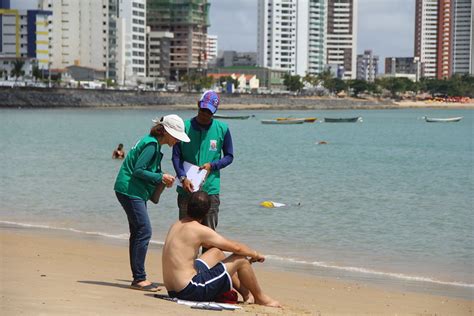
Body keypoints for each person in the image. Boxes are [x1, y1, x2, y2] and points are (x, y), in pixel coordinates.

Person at [162, 191, 281, 308]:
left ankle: (246, 294)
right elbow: (237, 248)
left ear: (187, 206)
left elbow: (215, 246)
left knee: (216, 252)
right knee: (241, 259)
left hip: (173, 290)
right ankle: (260, 298)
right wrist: (255, 254)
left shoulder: (176, 225)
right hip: (190, 290)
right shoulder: (199, 229)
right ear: (207, 212)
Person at [114, 114, 190, 292]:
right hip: (130, 190)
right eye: (176, 137)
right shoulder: (151, 144)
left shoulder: (152, 143)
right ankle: (139, 279)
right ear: (167, 132)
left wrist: (161, 176)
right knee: (144, 231)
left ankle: (138, 278)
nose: (177, 141)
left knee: (138, 232)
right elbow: (138, 170)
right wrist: (160, 177)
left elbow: (144, 169)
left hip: (130, 190)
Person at [172, 90, 233, 234]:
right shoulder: (184, 127)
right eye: (203, 110)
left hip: (210, 189)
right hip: (186, 188)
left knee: (208, 235)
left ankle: (205, 257)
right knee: (185, 234)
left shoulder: (222, 129)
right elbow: (176, 156)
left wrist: (213, 166)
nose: (205, 114)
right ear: (198, 105)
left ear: (215, 112)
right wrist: (182, 177)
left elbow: (229, 156)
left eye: (209, 112)